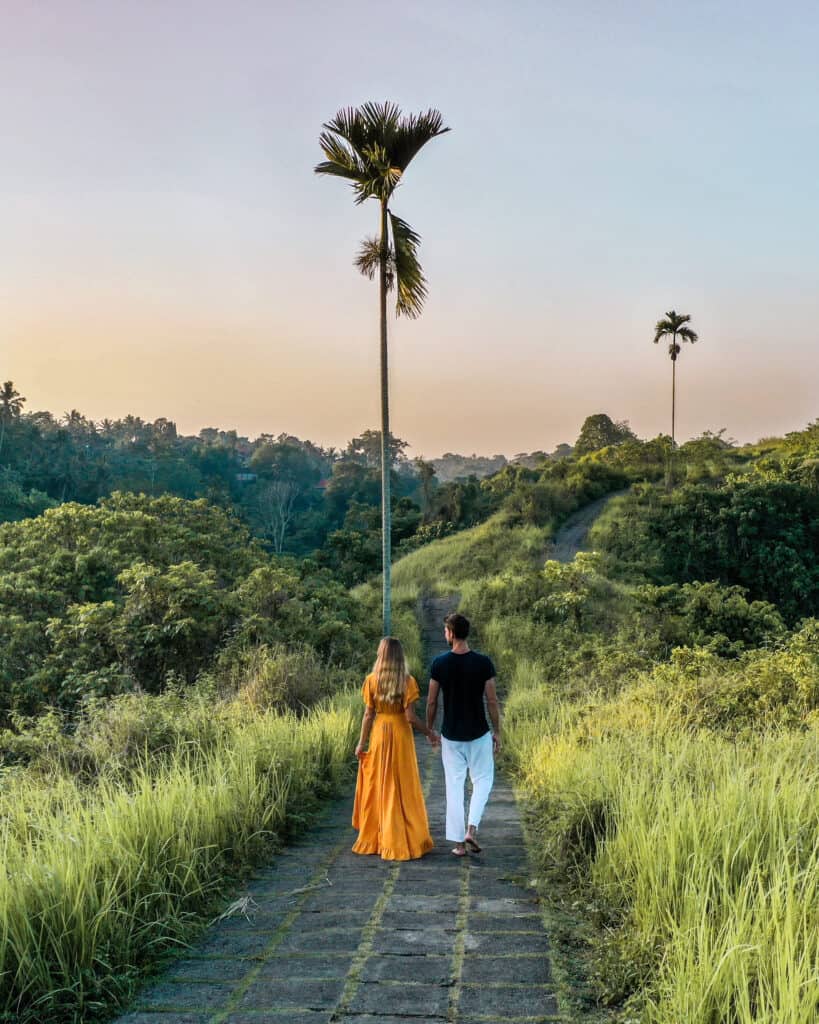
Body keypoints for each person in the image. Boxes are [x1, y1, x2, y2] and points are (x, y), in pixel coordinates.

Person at [352, 637, 439, 861]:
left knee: (381, 784)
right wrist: (429, 732)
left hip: (380, 733)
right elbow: (410, 717)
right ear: (400, 656)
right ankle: (402, 837)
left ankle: (379, 839)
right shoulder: (407, 681)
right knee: (402, 785)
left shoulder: (371, 680)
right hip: (401, 734)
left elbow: (368, 715)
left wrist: (361, 742)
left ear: (381, 654)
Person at [426, 612, 500, 857]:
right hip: (478, 733)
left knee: (454, 786)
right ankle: (471, 828)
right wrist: (497, 731)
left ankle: (459, 844)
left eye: (445, 631)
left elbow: (432, 702)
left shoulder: (439, 663)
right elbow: (492, 700)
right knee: (483, 780)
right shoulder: (483, 663)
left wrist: (430, 729)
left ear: (450, 633)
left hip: (451, 736)